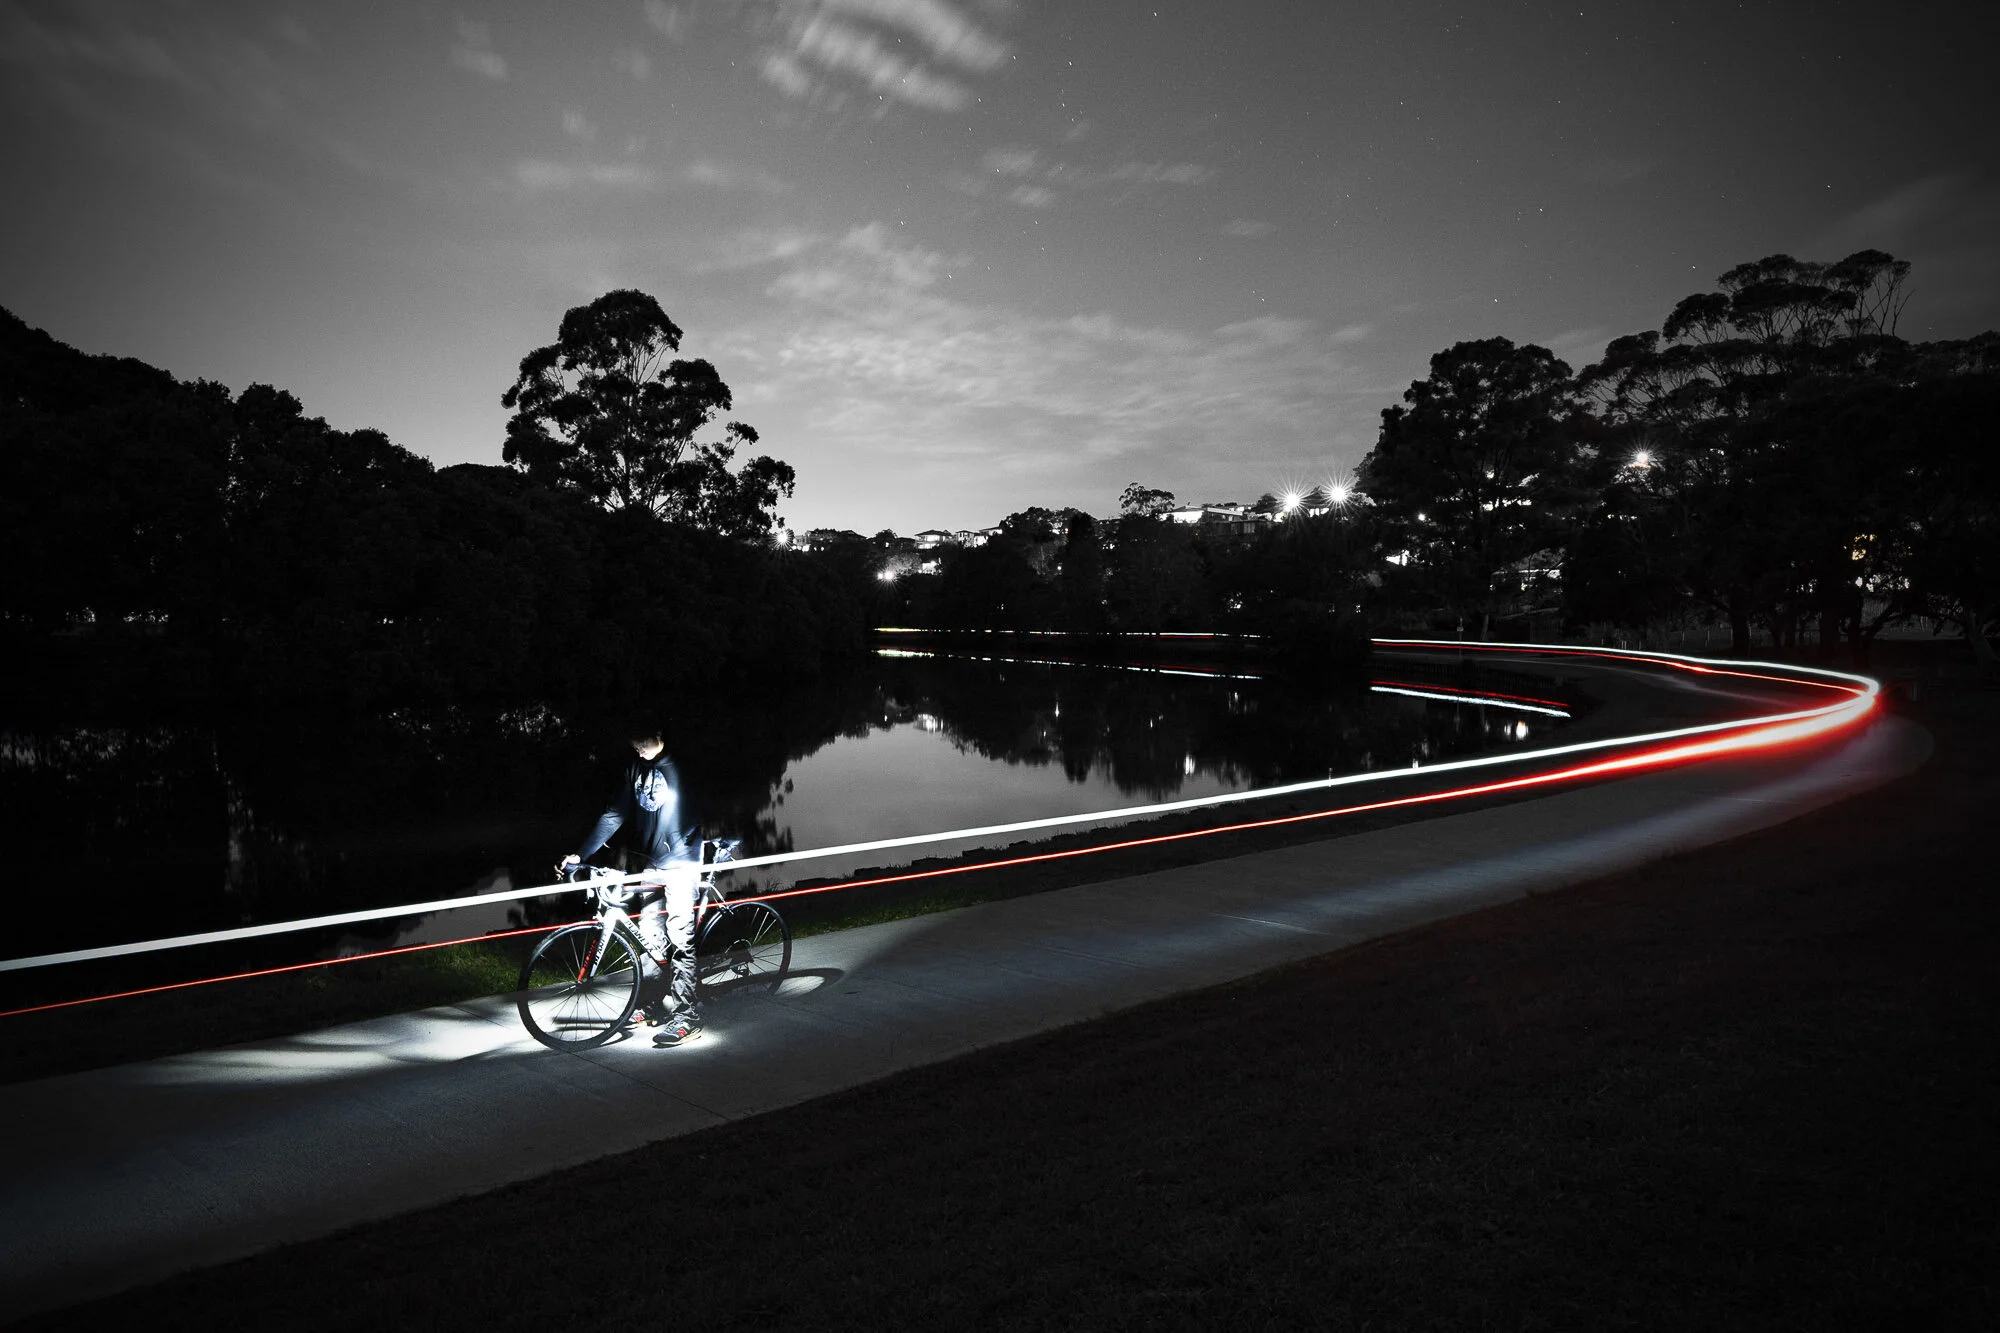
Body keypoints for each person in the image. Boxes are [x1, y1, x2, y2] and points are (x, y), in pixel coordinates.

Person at [557, 724, 702, 1047]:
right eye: (633, 741)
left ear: (660, 733)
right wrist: (581, 854)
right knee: (650, 936)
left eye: (642, 740)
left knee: (680, 936)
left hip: (681, 863)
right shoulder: (634, 767)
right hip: (652, 862)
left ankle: (687, 1015)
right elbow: (615, 814)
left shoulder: (682, 764)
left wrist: (679, 844)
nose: (637, 746)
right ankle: (652, 1001)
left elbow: (693, 808)